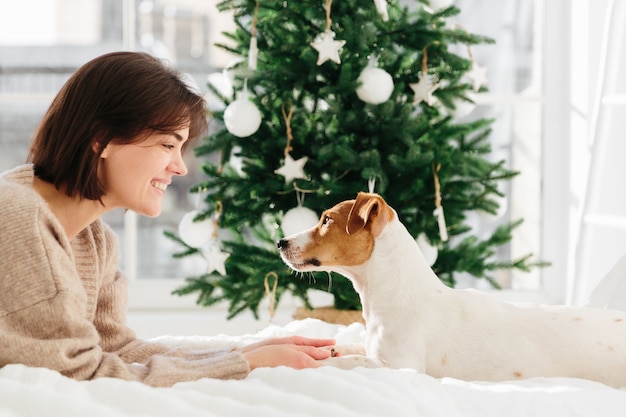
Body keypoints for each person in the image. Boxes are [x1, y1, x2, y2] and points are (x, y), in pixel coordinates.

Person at [0, 51, 335, 387]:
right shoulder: (18, 215)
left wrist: (242, 352)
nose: (181, 167)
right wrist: (243, 363)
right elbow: (78, 374)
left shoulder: (96, 241)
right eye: (166, 144)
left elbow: (117, 350)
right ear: (102, 139)